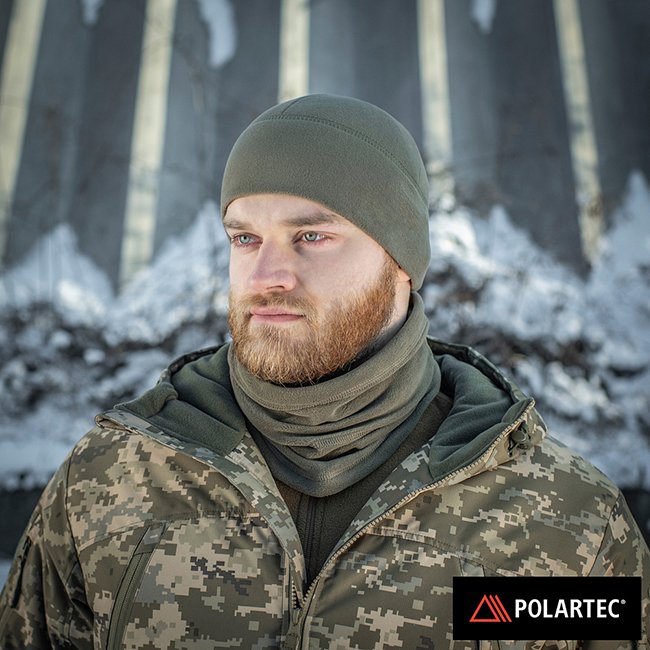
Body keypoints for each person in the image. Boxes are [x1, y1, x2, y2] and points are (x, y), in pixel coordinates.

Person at [0, 94, 648, 649]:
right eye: (245, 238)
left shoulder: (567, 524)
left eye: (311, 236)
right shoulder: (107, 483)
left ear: (401, 260)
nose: (266, 277)